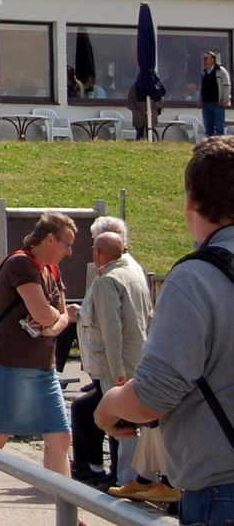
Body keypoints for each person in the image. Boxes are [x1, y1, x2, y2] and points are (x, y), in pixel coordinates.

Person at [97, 136, 234, 519]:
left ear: (191, 199)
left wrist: (109, 407)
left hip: (222, 487)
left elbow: (156, 393)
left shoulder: (197, 279)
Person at [0, 211, 80, 514]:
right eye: (66, 244)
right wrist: (55, 319)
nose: (70, 251)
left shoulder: (51, 268)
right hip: (8, 366)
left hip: (43, 370)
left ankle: (67, 516)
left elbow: (61, 317)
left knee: (60, 438)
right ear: (49, 238)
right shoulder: (21, 263)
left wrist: (53, 321)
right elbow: (50, 315)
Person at [70, 227, 150, 487]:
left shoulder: (107, 281)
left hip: (114, 365)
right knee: (129, 421)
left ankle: (125, 478)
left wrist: (116, 369)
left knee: (120, 423)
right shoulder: (134, 275)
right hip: (138, 357)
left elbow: (110, 329)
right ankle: (124, 475)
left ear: (98, 253)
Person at [203, 51, 231, 138]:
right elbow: (202, 87)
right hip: (206, 104)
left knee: (219, 128)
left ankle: (220, 148)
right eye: (204, 59)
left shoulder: (221, 71)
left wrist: (225, 99)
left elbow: (226, 85)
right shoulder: (204, 72)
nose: (204, 61)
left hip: (217, 103)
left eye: (206, 58)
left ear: (213, 59)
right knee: (208, 128)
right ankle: (210, 147)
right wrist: (200, 101)